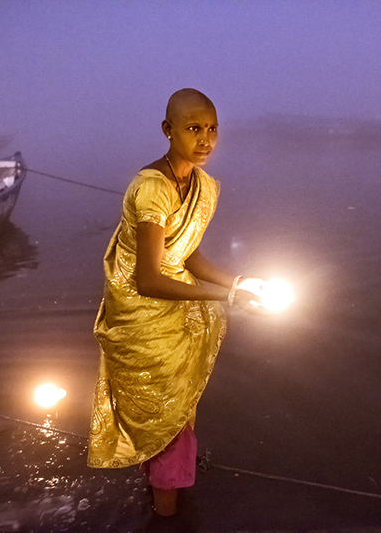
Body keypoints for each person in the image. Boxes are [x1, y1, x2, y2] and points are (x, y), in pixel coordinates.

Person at [88, 88, 262, 518]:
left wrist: (238, 280)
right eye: (193, 128)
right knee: (168, 418)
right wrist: (228, 295)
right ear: (168, 130)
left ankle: (165, 494)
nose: (205, 139)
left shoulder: (200, 186)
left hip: (176, 308)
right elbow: (147, 279)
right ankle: (166, 519)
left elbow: (186, 255)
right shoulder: (152, 189)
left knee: (178, 411)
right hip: (142, 316)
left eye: (212, 129)